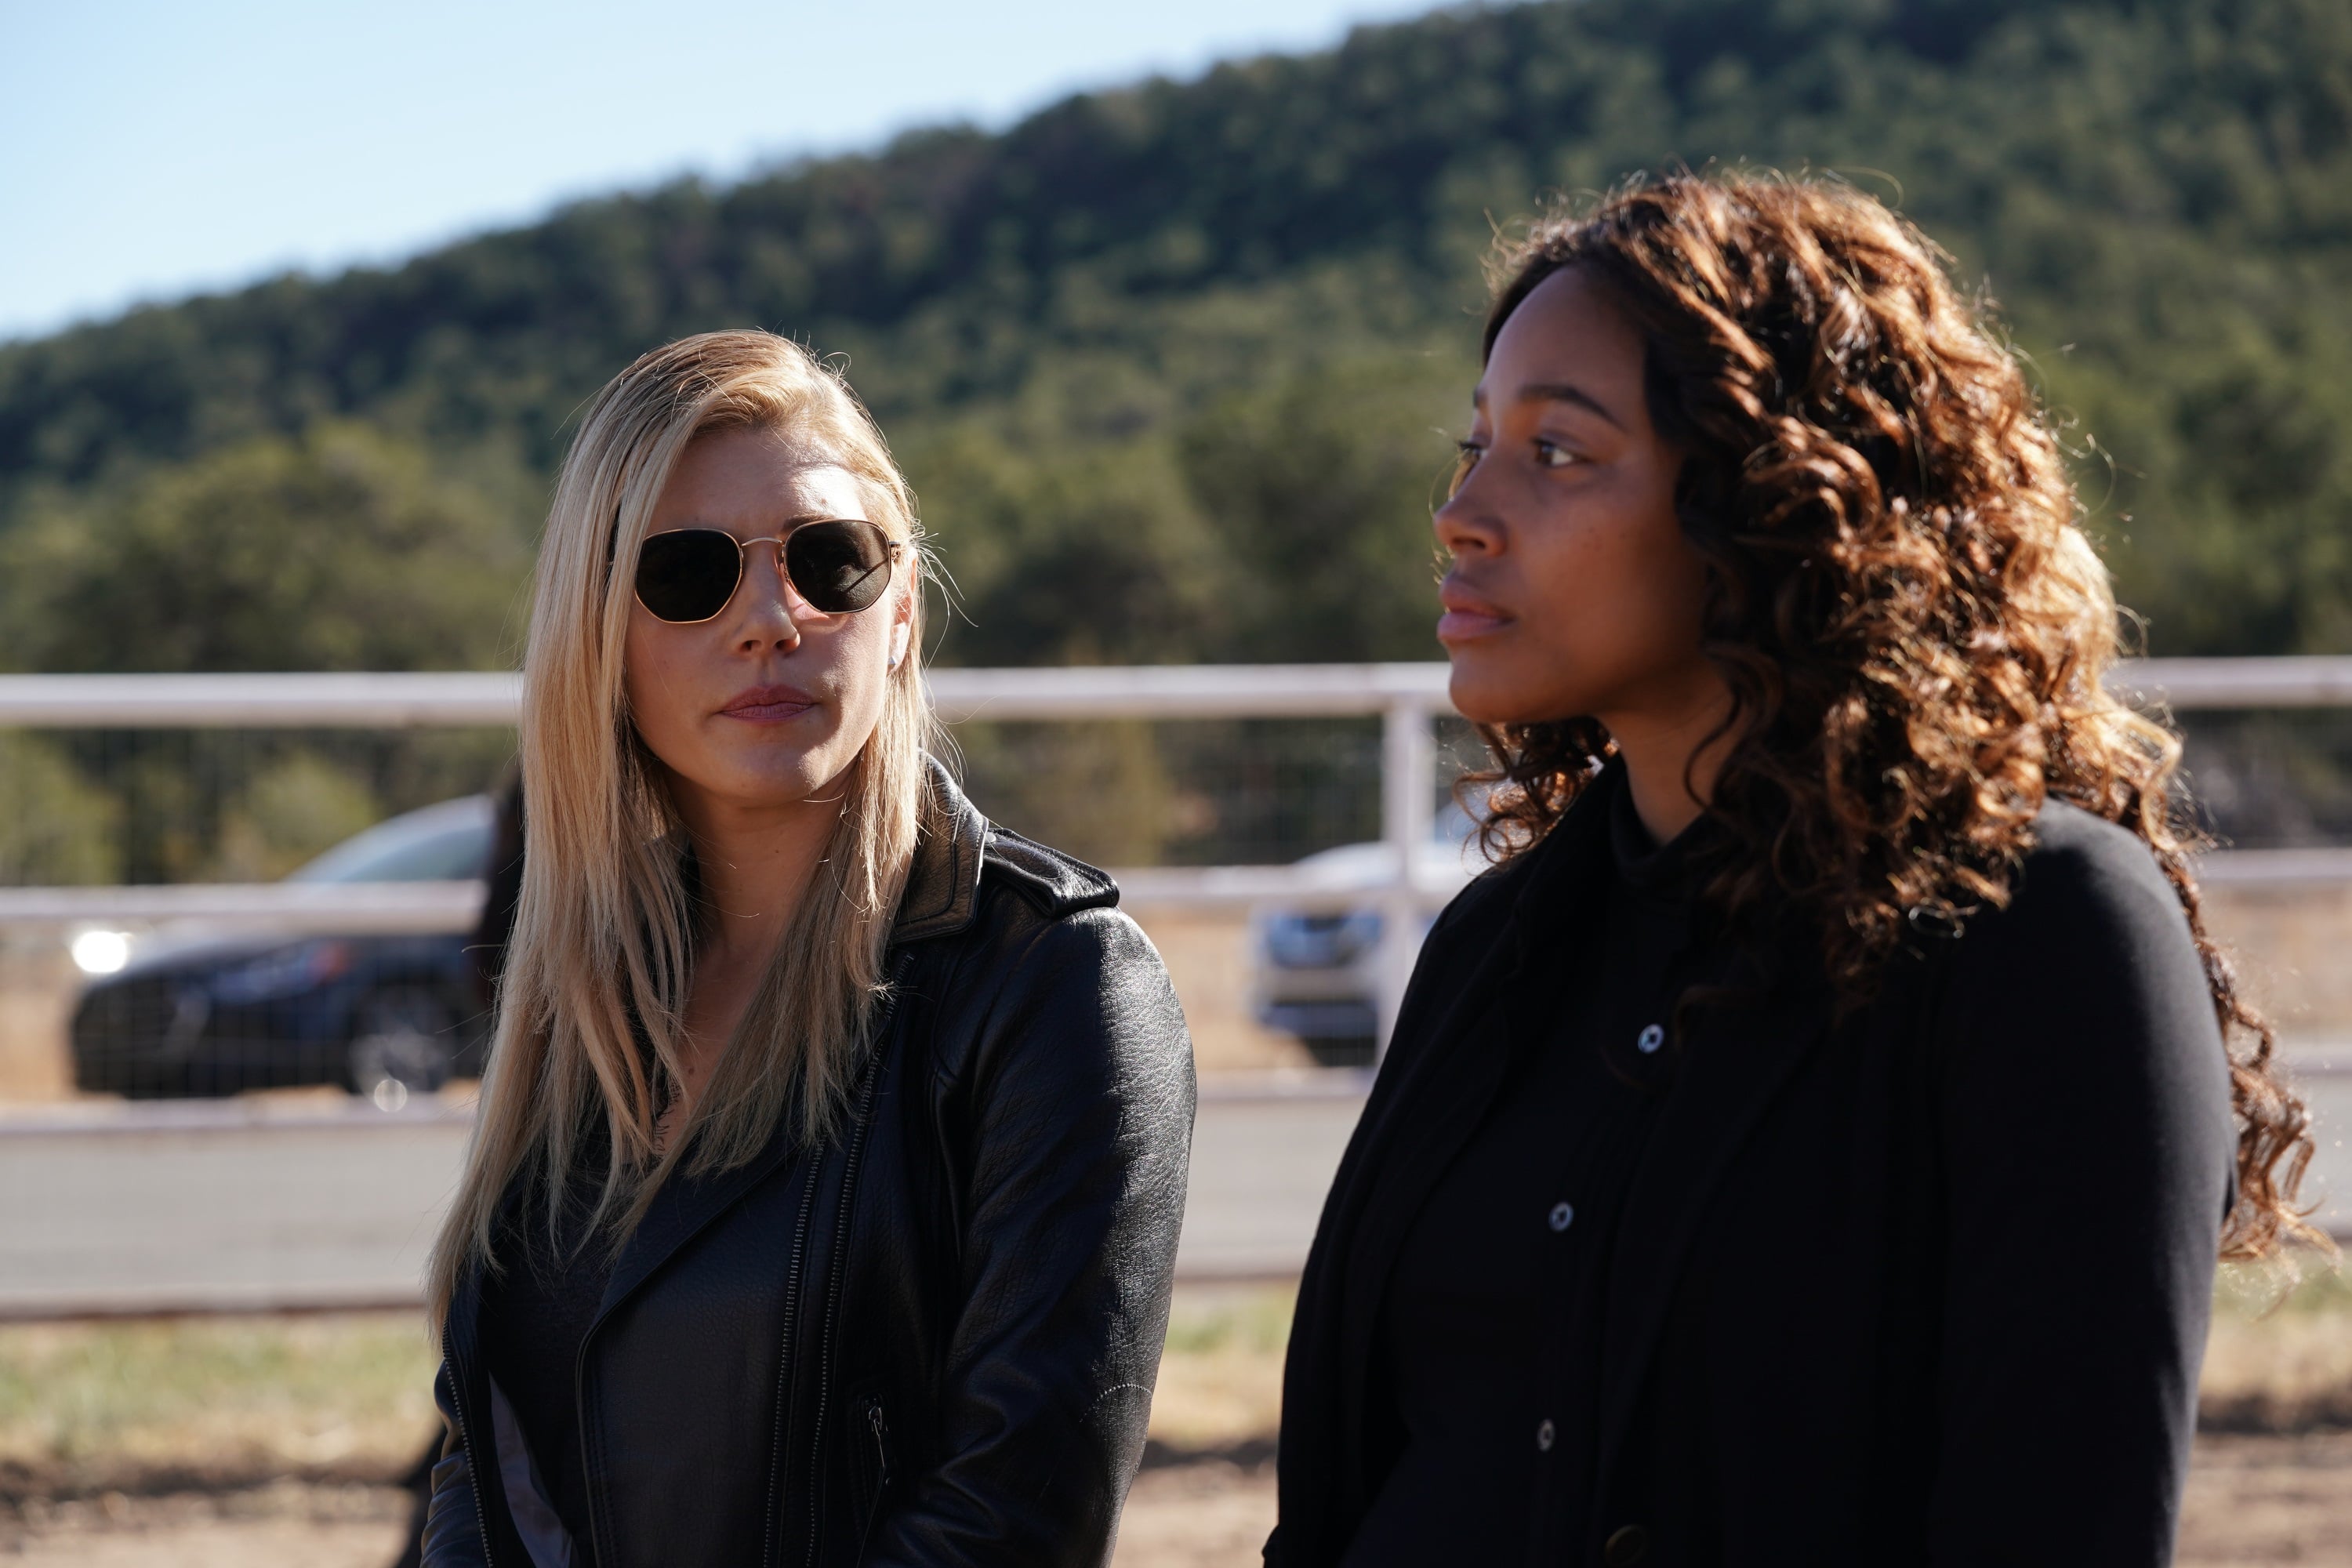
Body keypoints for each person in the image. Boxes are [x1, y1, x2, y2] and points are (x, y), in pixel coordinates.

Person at [1269, 173, 2323, 1567]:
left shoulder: (2043, 935)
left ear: (1780, 497)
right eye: (1475, 446)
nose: (1464, 513)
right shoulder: (1492, 948)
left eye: (1559, 452)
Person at [419, 329, 1196, 1567]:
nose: (772, 619)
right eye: (687, 573)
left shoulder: (1053, 986)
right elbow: (488, 1453)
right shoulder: (592, 987)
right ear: (597, 631)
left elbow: (1009, 1521)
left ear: (900, 615)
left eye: (831, 562)